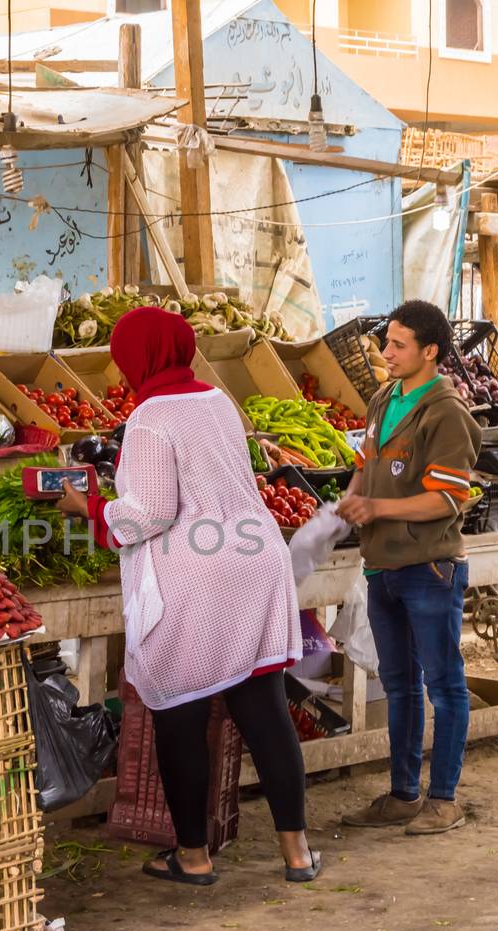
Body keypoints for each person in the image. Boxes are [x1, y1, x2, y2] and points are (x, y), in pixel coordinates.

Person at [56, 306, 318, 886]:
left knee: (181, 711)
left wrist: (90, 508)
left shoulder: (150, 418)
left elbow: (151, 511)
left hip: (199, 574)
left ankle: (194, 857)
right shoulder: (217, 399)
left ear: (136, 358)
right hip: (257, 559)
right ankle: (298, 854)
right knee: (265, 711)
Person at [337, 300, 482, 835]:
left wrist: (377, 508)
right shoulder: (382, 399)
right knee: (399, 683)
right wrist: (348, 503)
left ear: (430, 352)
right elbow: (363, 464)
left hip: (429, 569)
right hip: (382, 568)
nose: (386, 352)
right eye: (387, 341)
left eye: (398, 345)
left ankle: (444, 798)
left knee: (445, 685)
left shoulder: (447, 413)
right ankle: (402, 793)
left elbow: (446, 500)